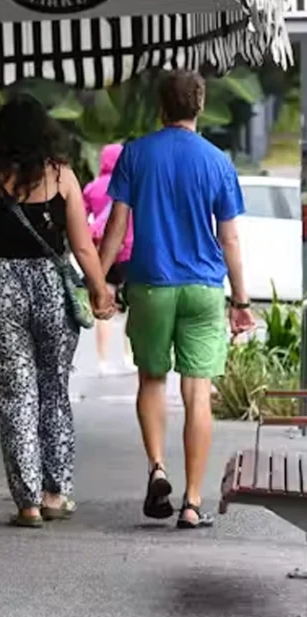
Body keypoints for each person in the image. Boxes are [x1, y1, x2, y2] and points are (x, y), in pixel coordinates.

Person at [98, 70, 255, 529]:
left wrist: (101, 280)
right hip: (205, 288)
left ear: (160, 107)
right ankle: (190, 502)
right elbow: (229, 240)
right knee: (197, 393)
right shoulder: (217, 162)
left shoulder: (135, 155)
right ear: (200, 106)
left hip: (150, 283)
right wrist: (240, 299)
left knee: (151, 378)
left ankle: (158, 468)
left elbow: (116, 227)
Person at [0, 95, 114, 528]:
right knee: (53, 389)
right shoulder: (61, 177)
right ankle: (56, 493)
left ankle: (27, 503)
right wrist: (99, 289)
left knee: (16, 395)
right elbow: (82, 246)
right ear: (45, 130)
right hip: (49, 288)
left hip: (0, 287)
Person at [83, 143, 134, 375]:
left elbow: (80, 221)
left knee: (104, 304)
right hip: (129, 252)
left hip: (101, 253)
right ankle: (129, 356)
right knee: (133, 307)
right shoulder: (130, 185)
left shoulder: (92, 188)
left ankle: (103, 361)